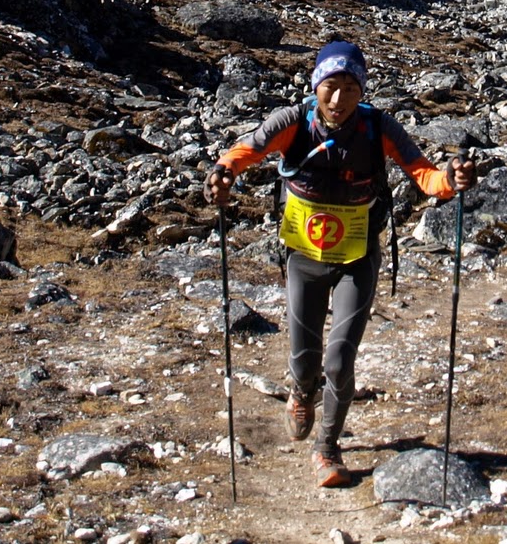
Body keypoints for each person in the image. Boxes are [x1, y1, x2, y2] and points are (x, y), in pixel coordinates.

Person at [204, 40, 476, 489]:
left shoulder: (378, 127)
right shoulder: (293, 122)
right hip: (304, 257)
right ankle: (301, 391)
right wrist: (223, 173)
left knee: (340, 359)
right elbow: (247, 149)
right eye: (330, 86)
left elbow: (425, 176)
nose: (338, 98)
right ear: (316, 86)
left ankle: (328, 449)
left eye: (350, 88)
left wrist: (452, 178)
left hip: (357, 257)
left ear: (361, 91)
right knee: (305, 358)